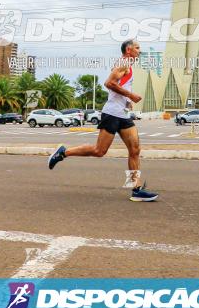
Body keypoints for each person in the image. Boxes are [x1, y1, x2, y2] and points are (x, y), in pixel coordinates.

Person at [48, 39, 158, 202]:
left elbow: (120, 86)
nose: (139, 51)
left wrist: (127, 102)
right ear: (128, 50)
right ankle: (63, 152)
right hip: (112, 114)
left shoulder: (128, 65)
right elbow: (109, 83)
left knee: (135, 149)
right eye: (137, 48)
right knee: (99, 151)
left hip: (123, 115)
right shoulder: (123, 63)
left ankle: (136, 189)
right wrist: (131, 96)